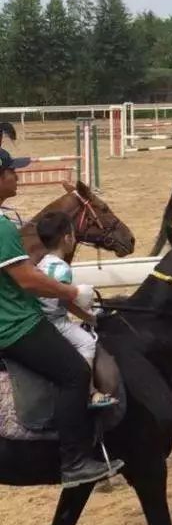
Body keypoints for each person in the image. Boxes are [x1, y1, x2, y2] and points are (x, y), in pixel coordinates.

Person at [0, 148, 123, 488]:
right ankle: (76, 461)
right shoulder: (1, 227)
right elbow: (27, 279)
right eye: (11, 170)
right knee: (74, 372)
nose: (17, 175)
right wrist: (70, 293)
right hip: (14, 325)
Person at [36, 211, 118, 409]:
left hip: (40, 319)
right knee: (87, 342)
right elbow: (66, 302)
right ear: (67, 238)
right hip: (57, 322)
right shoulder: (62, 268)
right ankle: (90, 393)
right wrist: (89, 317)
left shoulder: (41, 264)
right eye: (73, 235)